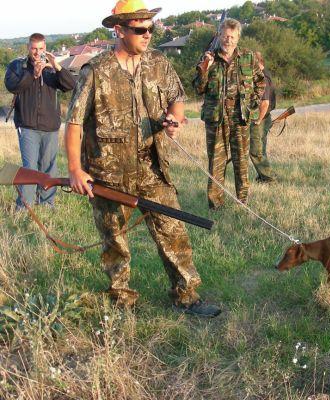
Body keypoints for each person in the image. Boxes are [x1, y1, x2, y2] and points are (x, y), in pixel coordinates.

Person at [64, 0, 221, 317]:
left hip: (153, 168)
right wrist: (75, 170)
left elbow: (177, 98)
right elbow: (74, 123)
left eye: (151, 28)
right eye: (140, 29)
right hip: (108, 174)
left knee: (173, 232)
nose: (147, 34)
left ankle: (186, 296)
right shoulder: (95, 71)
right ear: (120, 30)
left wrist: (174, 122)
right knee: (114, 242)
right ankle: (122, 301)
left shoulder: (159, 63)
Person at [193, 19, 265, 210]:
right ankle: (216, 205)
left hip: (240, 118)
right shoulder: (208, 59)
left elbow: (260, 82)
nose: (229, 40)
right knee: (216, 164)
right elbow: (198, 89)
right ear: (219, 36)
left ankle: (243, 203)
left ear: (238, 37)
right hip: (216, 120)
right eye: (225, 36)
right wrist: (204, 71)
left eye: (232, 37)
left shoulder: (248, 58)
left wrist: (252, 104)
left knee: (241, 163)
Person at [4, 33, 76, 210]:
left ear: (45, 48)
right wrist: (33, 74)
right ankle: (25, 206)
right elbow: (12, 86)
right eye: (34, 48)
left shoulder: (52, 69)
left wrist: (56, 66)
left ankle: (47, 204)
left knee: (49, 167)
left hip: (50, 126)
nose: (37, 53)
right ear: (28, 48)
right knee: (30, 167)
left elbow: (71, 85)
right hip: (27, 125)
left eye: (41, 49)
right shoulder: (18, 66)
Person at [249, 52, 277, 183]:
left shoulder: (262, 78)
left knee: (256, 151)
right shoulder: (266, 74)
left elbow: (265, 103)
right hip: (265, 117)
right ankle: (262, 177)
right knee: (261, 149)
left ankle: (268, 178)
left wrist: (258, 120)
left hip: (261, 118)